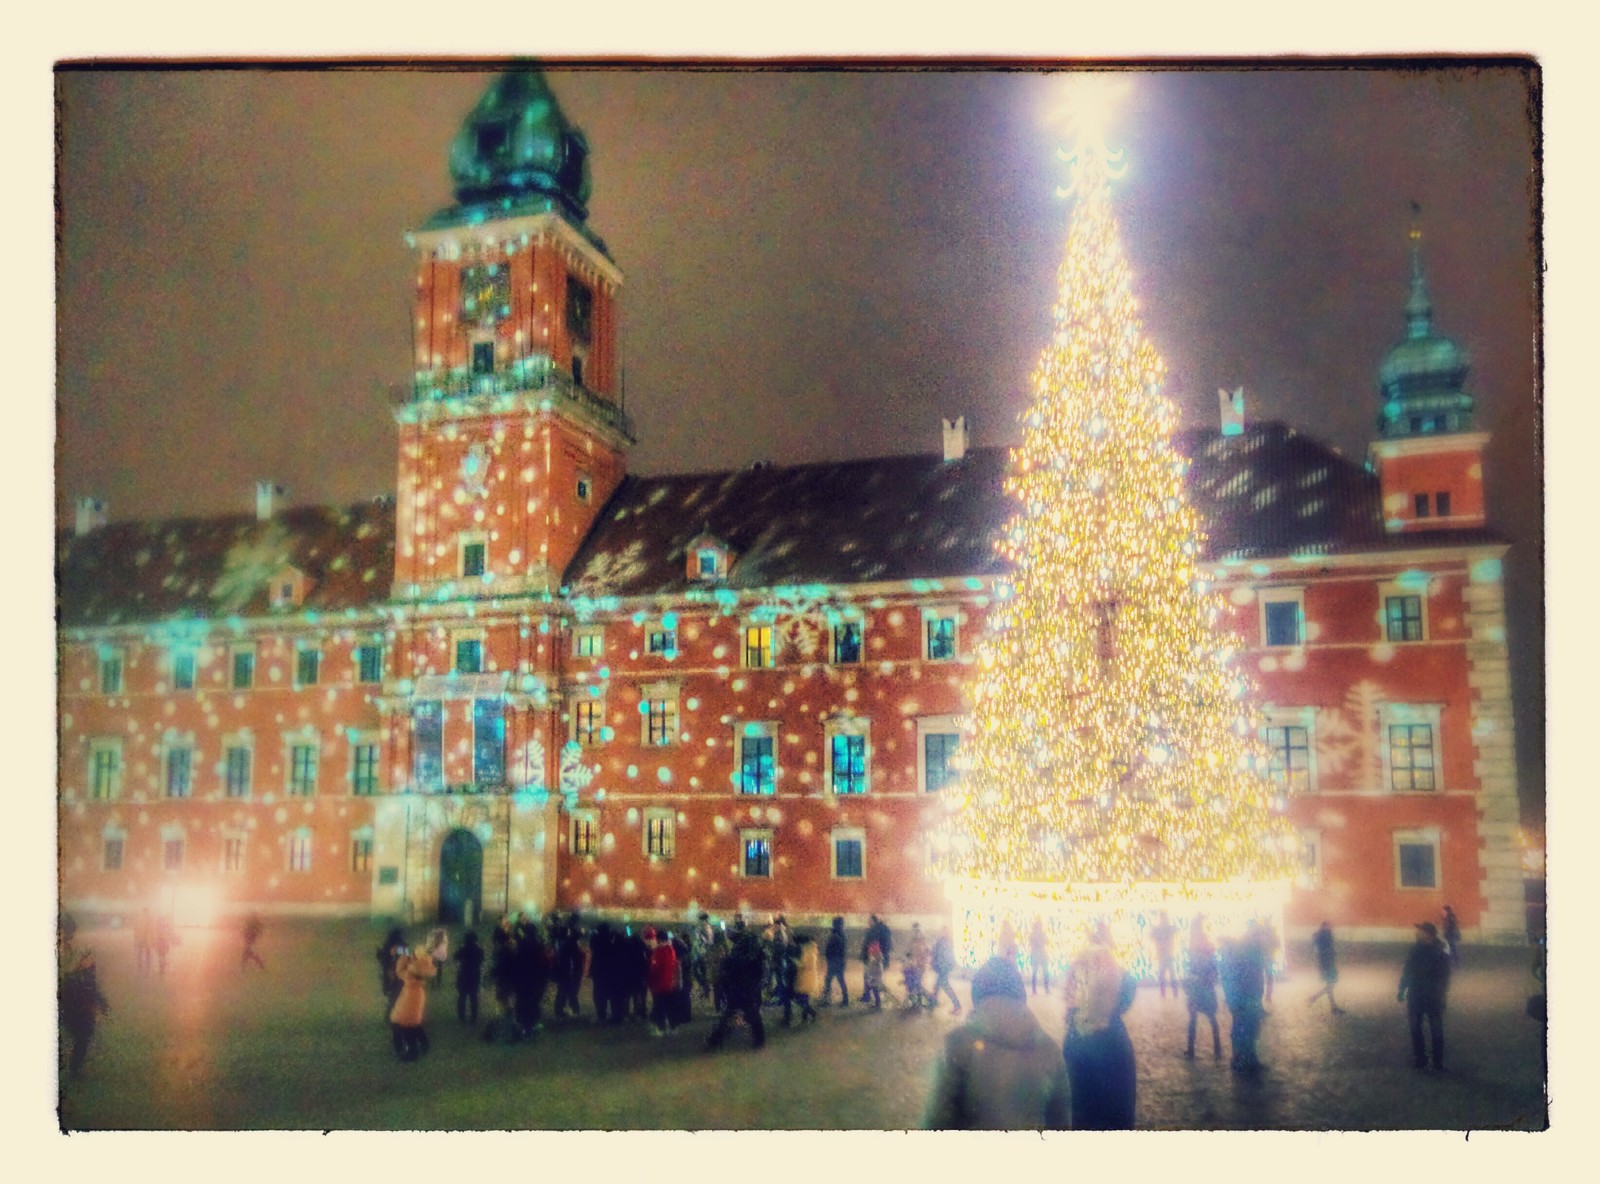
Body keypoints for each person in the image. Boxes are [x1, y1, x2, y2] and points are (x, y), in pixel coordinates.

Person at [923, 957, 1070, 1130]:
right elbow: (1061, 1122)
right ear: (1020, 994)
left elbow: (937, 1120)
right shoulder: (1049, 1050)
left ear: (977, 993)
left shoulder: (958, 1044)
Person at [1062, 925, 1138, 1129]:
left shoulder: (1091, 1037)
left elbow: (1079, 1102)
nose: (1067, 985)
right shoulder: (1104, 1025)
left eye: (1075, 978)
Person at [1399, 920, 1452, 1071]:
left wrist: (1442, 994)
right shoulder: (1416, 949)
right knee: (1416, 1029)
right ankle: (1421, 1059)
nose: (1416, 933)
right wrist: (1402, 990)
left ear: (1428, 935)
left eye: (1420, 931)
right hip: (1418, 995)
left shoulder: (1440, 951)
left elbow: (1445, 976)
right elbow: (1407, 971)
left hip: (1430, 996)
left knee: (1435, 1030)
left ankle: (1436, 1060)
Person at [707, 921, 767, 1051]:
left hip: (742, 988)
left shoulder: (744, 951)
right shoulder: (752, 951)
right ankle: (758, 1039)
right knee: (746, 1014)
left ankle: (716, 1040)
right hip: (743, 988)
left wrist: (727, 965)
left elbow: (736, 965)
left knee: (741, 1014)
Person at [60, 947, 110, 1079]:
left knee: (84, 1040)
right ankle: (74, 1070)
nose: (90, 961)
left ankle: (75, 1068)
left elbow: (94, 992)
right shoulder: (73, 978)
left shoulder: (88, 974)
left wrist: (103, 1005)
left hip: (86, 1014)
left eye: (91, 958)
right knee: (81, 1041)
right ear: (80, 960)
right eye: (87, 959)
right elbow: (69, 998)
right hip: (76, 1015)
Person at [1219, 934, 1266, 1073]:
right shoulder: (1234, 962)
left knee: (1247, 1029)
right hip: (1242, 1000)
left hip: (1244, 999)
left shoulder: (1237, 961)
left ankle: (1245, 1058)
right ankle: (1241, 1058)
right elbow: (1234, 983)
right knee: (1244, 1029)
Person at [389, 940, 437, 1061]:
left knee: (406, 1024)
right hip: (415, 996)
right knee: (411, 1023)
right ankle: (422, 1044)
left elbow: (399, 972)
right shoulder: (424, 964)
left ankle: (411, 1052)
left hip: (410, 997)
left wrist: (403, 955)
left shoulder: (413, 968)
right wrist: (406, 952)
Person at [1183, 920, 1222, 1060]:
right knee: (1206, 1018)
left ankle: (1193, 1048)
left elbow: (1211, 971)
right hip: (1201, 988)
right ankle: (1215, 1048)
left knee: (1201, 1018)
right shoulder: (1203, 951)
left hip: (1201, 989)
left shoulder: (1200, 951)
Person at [645, 927, 680, 1037]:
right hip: (670, 984)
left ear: (658, 939)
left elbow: (655, 969)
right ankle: (673, 1027)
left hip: (659, 985)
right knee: (670, 1007)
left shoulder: (658, 952)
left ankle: (661, 1029)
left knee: (659, 1007)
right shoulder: (672, 950)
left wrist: (648, 980)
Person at [1305, 921, 1346, 1014]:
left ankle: (1327, 1004)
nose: (1331, 928)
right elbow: (1325, 952)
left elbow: (1320, 952)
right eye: (1328, 926)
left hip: (1327, 964)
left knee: (1330, 986)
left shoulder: (1323, 937)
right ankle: (1329, 1005)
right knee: (1330, 986)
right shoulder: (1324, 937)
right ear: (1324, 927)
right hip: (1327, 964)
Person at [787, 933, 821, 1025]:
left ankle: (812, 1012)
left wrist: (793, 960)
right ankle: (805, 1018)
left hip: (805, 978)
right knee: (804, 999)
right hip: (808, 978)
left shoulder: (807, 952)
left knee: (801, 999)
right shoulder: (812, 950)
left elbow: (802, 965)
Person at [455, 930, 485, 1026]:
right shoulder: (479, 950)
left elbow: (455, 956)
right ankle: (473, 1017)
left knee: (462, 997)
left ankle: (462, 1016)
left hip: (463, 975)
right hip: (475, 976)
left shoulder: (463, 949)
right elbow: (482, 960)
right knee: (474, 997)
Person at [930, 926, 961, 1014]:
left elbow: (945, 955)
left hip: (943, 968)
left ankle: (957, 1005)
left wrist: (942, 965)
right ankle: (932, 1004)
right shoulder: (943, 941)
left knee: (944, 986)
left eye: (945, 931)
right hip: (941, 967)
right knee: (937, 986)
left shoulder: (944, 942)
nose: (943, 933)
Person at [377, 926, 407, 1016]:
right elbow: (407, 958)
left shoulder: (388, 946)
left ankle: (390, 1015)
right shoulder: (402, 946)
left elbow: (384, 960)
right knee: (398, 997)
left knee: (393, 998)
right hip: (399, 976)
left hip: (391, 976)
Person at [822, 916, 850, 1006]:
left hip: (834, 962)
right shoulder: (842, 934)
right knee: (839, 980)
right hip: (838, 962)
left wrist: (829, 957)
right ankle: (845, 1000)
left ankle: (827, 1000)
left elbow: (831, 949)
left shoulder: (836, 935)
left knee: (828, 980)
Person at [1150, 911, 1178, 999]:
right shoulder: (1167, 928)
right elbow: (1151, 936)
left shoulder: (1163, 929)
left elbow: (1151, 936)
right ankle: (1170, 993)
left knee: (1167, 973)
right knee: (1166, 973)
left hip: (1165, 954)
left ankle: (1168, 993)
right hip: (1165, 954)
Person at [904, 922, 932, 1009]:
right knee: (917, 983)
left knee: (917, 984)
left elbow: (910, 953)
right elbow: (926, 951)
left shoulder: (916, 940)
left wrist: (912, 960)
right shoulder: (922, 939)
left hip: (917, 965)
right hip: (918, 964)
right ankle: (919, 1001)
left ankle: (927, 999)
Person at [1028, 916, 1051, 995]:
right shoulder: (1033, 935)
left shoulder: (1042, 934)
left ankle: (1046, 988)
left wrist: (1041, 941)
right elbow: (1031, 943)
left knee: (1045, 972)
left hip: (1041, 955)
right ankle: (1035, 989)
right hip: (1036, 955)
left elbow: (1047, 941)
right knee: (1035, 972)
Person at [863, 938, 888, 1009]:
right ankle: (876, 1003)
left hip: (874, 979)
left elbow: (877, 971)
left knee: (875, 991)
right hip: (873, 978)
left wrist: (872, 978)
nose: (870, 954)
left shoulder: (876, 961)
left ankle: (878, 1004)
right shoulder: (875, 959)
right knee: (873, 990)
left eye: (871, 953)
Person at [134, 908, 155, 975]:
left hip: (141, 938)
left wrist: (136, 937)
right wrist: (153, 939)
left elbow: (136, 929)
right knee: (147, 954)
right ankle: (147, 969)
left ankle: (140, 967)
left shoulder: (139, 919)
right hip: (147, 939)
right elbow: (152, 930)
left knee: (140, 953)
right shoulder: (150, 919)